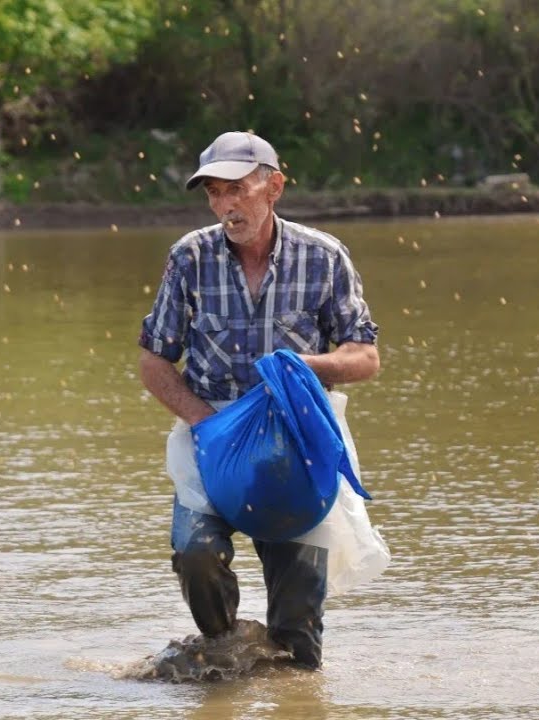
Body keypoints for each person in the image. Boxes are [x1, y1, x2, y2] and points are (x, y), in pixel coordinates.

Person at [137, 130, 380, 669]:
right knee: (197, 555)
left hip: (296, 442)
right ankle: (226, 651)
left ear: (274, 187)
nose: (225, 205)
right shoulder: (190, 258)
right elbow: (154, 363)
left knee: (298, 631)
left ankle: (286, 688)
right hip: (213, 432)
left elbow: (365, 357)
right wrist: (205, 423)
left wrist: (306, 366)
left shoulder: (322, 256)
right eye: (214, 193)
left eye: (237, 189)